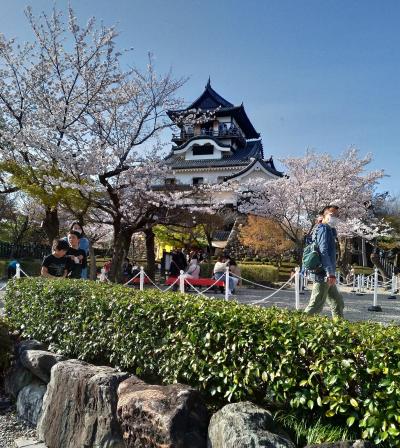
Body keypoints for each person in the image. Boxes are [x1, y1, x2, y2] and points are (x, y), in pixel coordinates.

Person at [304, 205, 344, 319]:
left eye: (337, 215)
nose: (335, 217)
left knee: (337, 303)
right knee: (315, 305)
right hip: (323, 273)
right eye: (332, 215)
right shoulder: (324, 229)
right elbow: (323, 251)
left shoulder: (325, 229)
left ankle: (340, 330)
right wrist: (329, 273)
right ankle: (296, 329)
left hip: (325, 273)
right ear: (324, 215)